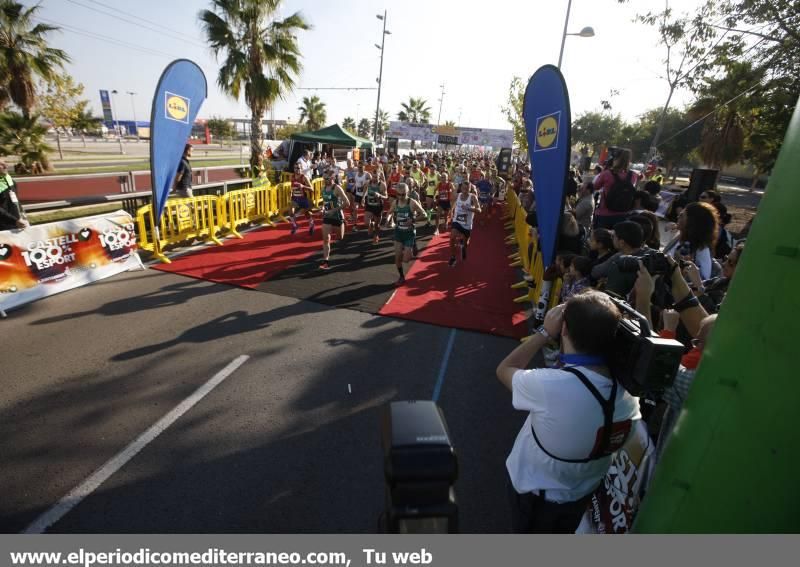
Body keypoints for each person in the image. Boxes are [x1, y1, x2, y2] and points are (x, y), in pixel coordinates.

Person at [495, 293, 641, 533]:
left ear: (563, 329)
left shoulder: (550, 386)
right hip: (581, 494)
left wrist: (543, 332)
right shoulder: (629, 394)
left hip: (535, 495)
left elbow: (505, 369)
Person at [663, 202, 720, 280]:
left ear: (692, 222)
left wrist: (681, 265)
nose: (678, 216)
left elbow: (702, 281)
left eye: (682, 215)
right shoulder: (679, 237)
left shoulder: (701, 250)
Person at [387, 182, 426, 285]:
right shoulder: (395, 202)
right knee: (398, 257)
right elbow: (389, 212)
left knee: (406, 260)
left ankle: (413, 245)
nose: (401, 196)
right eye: (399, 194)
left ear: (408, 193)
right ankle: (401, 277)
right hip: (398, 232)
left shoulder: (412, 203)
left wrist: (413, 219)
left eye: (403, 194)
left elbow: (425, 215)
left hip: (409, 233)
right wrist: (388, 220)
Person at [593, 149, 638, 229]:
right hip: (623, 214)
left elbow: (595, 186)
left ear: (616, 159)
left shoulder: (607, 173)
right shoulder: (633, 175)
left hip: (604, 213)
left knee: (600, 238)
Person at [319, 171, 350, 270]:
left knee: (340, 237)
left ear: (332, 178)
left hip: (337, 217)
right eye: (324, 178)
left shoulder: (337, 188)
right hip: (327, 217)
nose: (325, 180)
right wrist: (323, 209)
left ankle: (344, 223)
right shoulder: (323, 188)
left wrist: (334, 210)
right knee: (326, 239)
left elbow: (347, 203)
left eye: (327, 178)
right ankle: (326, 261)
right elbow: (325, 203)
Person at [449, 182, 481, 267]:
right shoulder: (458, 195)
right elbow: (452, 200)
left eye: (467, 188)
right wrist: (451, 210)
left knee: (465, 243)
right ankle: (453, 257)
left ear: (470, 189)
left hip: (467, 224)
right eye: (463, 188)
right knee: (452, 237)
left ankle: (463, 246)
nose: (465, 190)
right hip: (457, 221)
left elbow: (479, 210)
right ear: (461, 188)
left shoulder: (472, 197)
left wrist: (469, 208)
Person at [362, 169, 388, 244]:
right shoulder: (368, 183)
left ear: (379, 177)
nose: (374, 178)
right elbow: (364, 190)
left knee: (377, 224)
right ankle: (370, 225)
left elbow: (386, 196)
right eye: (373, 177)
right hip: (369, 205)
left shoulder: (382, 185)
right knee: (366, 222)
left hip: (378, 206)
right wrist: (363, 198)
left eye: (376, 177)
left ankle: (376, 236)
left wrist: (380, 195)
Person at [0, 160, 27, 231]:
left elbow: (16, 200)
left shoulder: (10, 180)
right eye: (1, 165)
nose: (6, 166)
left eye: (5, 163)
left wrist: (22, 213)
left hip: (18, 222)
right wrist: (14, 220)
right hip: (4, 226)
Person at [289, 164, 314, 236]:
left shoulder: (304, 177)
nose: (298, 169)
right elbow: (292, 186)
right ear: (294, 169)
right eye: (296, 168)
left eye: (299, 168)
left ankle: (311, 225)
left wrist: (303, 186)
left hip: (303, 198)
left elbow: (312, 189)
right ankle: (295, 225)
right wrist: (291, 192)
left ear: (301, 169)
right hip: (295, 198)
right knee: (291, 212)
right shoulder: (292, 177)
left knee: (307, 214)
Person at [350, 163, 371, 229]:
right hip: (358, 194)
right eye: (359, 167)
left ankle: (370, 222)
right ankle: (355, 225)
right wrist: (353, 186)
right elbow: (356, 182)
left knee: (367, 211)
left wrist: (363, 197)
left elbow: (370, 183)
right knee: (355, 209)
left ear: (364, 167)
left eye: (361, 167)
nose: (359, 169)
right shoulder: (356, 174)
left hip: (366, 195)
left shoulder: (367, 174)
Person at [434, 172, 455, 236]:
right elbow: (435, 190)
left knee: (446, 215)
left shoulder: (449, 184)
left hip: (447, 202)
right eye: (442, 177)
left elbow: (454, 191)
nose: (443, 178)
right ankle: (436, 229)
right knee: (437, 215)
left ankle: (446, 223)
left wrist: (451, 194)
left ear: (447, 178)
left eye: (444, 177)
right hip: (441, 201)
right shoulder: (439, 184)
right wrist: (434, 198)